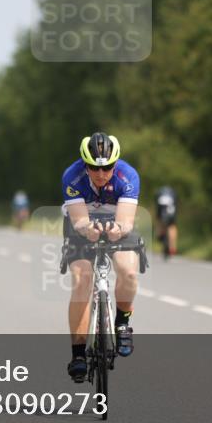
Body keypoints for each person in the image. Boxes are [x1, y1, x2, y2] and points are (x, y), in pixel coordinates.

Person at [61, 132, 141, 382]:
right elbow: (79, 220)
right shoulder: (72, 176)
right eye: (94, 167)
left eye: (107, 167)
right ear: (85, 164)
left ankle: (122, 322)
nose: (100, 173)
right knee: (82, 279)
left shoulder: (128, 175)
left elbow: (126, 221)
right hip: (82, 225)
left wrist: (117, 230)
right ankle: (78, 354)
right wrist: (88, 230)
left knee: (128, 272)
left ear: (115, 163)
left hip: (117, 222)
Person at [154, 185, 179, 259]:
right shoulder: (173, 193)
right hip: (171, 212)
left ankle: (159, 234)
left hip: (161, 212)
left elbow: (157, 208)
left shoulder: (159, 193)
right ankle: (173, 247)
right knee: (172, 226)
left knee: (159, 221)